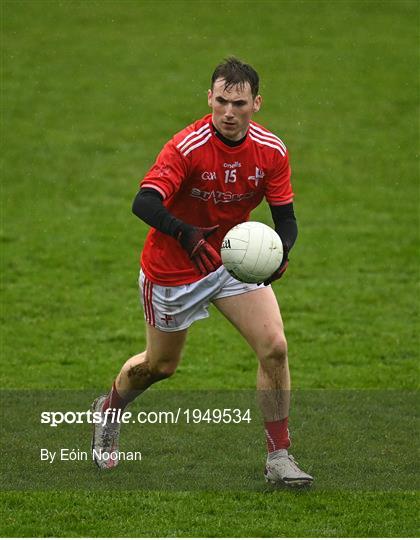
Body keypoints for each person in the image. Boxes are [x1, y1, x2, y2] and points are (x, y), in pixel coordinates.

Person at [91, 57, 313, 487]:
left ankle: (279, 456)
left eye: (240, 103)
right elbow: (144, 202)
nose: (229, 112)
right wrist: (186, 233)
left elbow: (286, 219)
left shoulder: (271, 150)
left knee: (275, 348)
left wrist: (281, 253)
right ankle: (110, 408)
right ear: (210, 98)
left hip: (232, 261)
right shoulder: (186, 147)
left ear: (257, 104)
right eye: (222, 101)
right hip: (174, 267)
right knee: (160, 366)